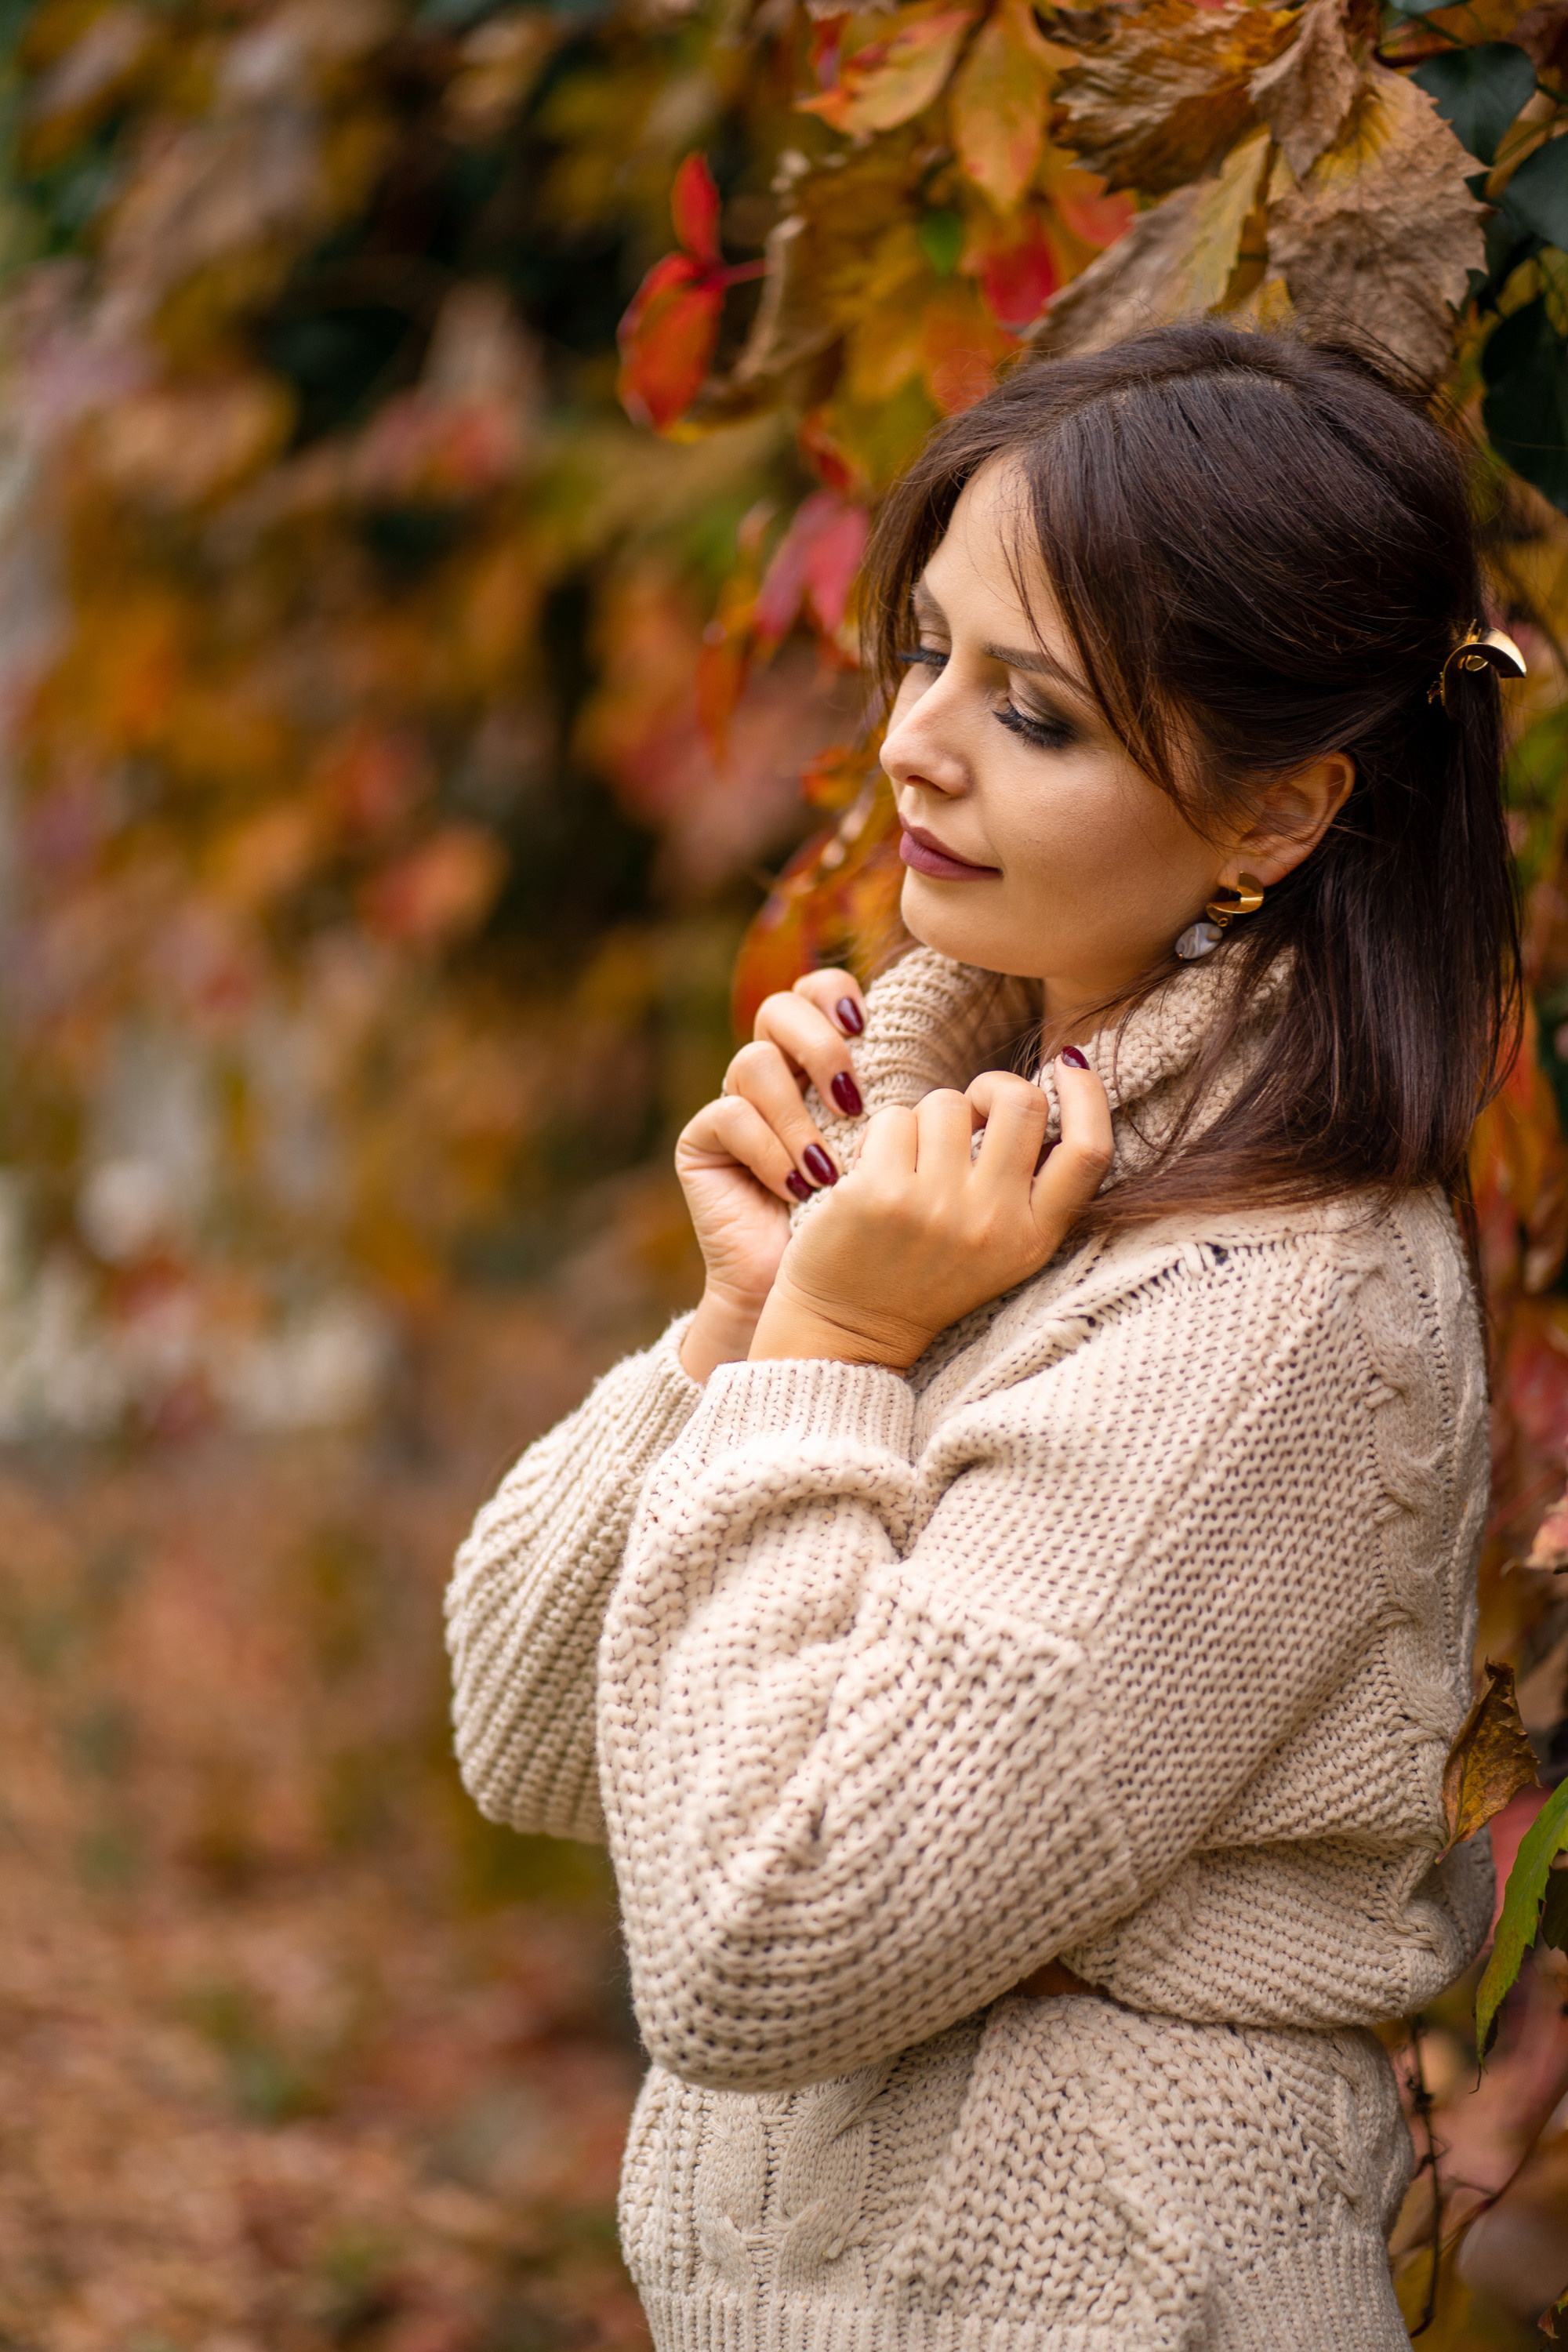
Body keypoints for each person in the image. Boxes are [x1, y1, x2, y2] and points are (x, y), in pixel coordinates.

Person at [446, 319, 1519, 2350]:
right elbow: (532, 1738)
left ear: (1275, 820)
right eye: (926, 653)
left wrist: (830, 1350)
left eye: (1034, 711)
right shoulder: (959, 1173)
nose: (918, 745)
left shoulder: (1271, 1316)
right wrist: (742, 1323)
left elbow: (762, 1938)